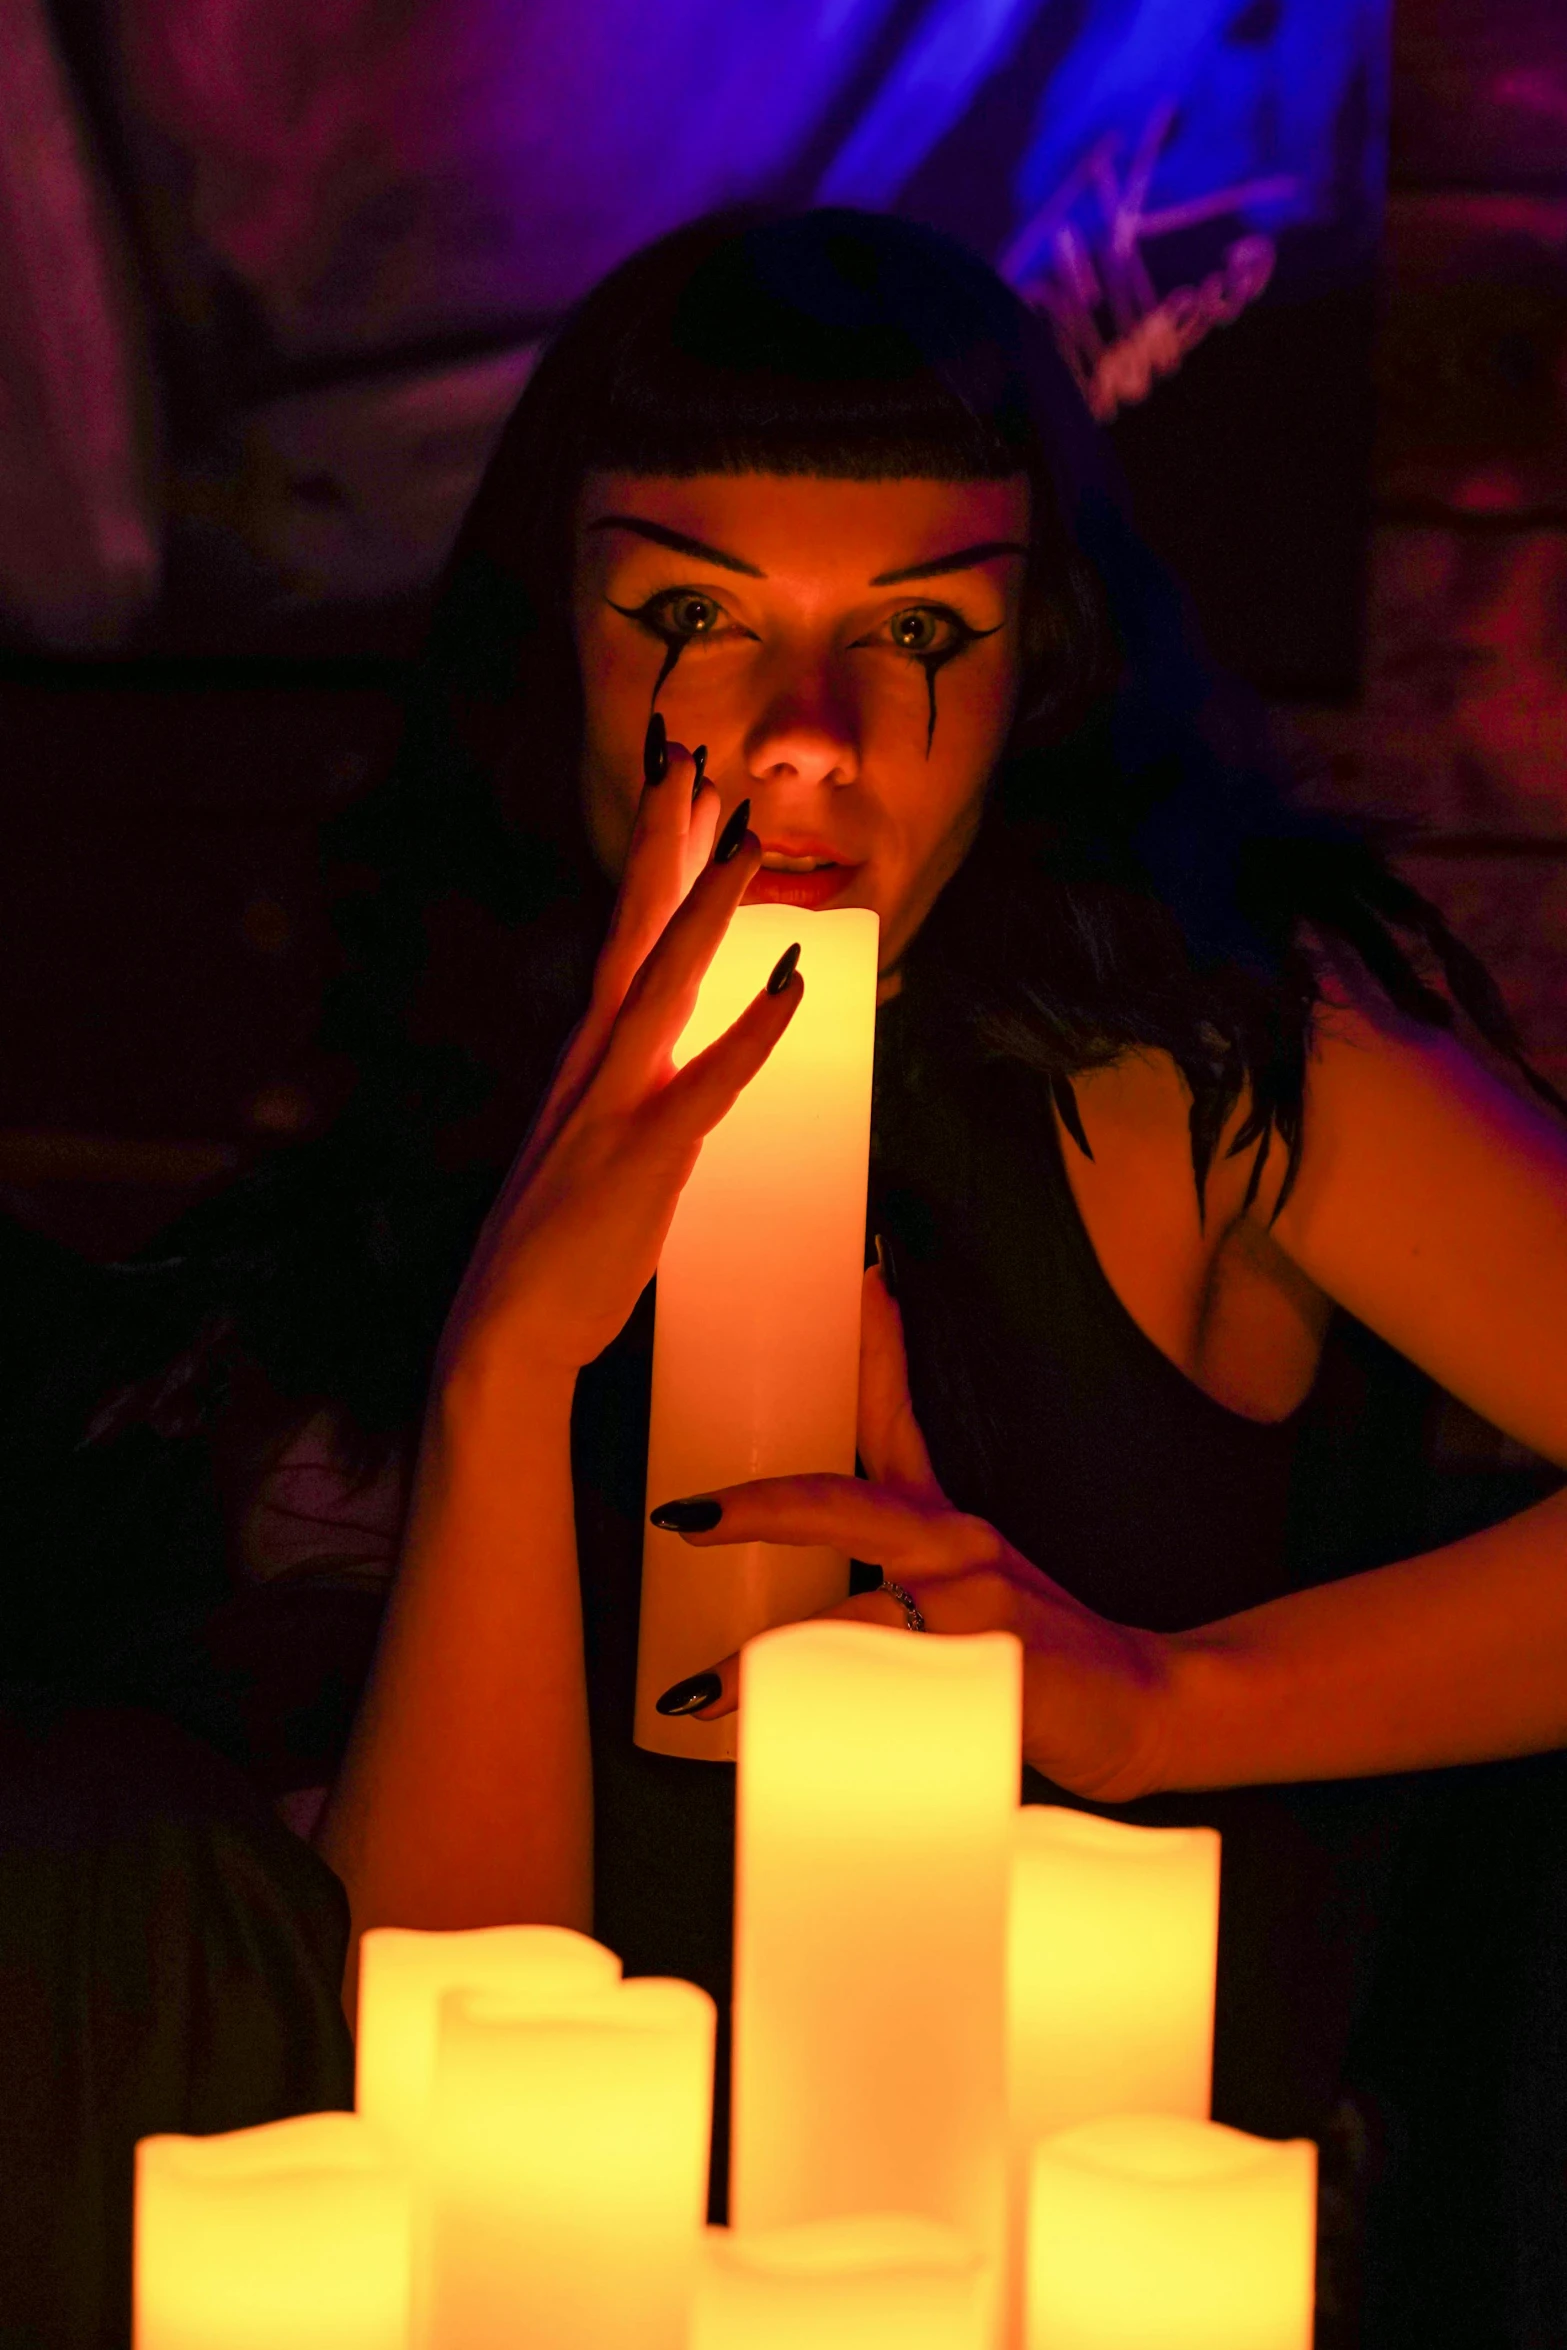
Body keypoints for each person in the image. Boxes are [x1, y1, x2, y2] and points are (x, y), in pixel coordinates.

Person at [6, 207, 1566, 2347]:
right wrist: (509, 1369)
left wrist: (1168, 1698)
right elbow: (444, 2041)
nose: (811, 733)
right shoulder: (468, 1125)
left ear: (1042, 656)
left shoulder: (1211, 1070)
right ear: (554, 634)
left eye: (919, 634)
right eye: (694, 617)